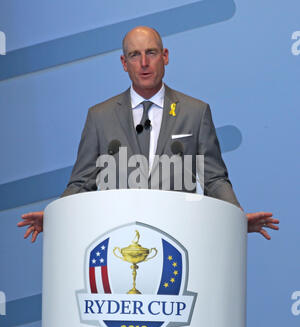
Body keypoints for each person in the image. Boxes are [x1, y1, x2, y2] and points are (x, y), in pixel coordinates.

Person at [17, 26, 279, 242]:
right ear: (124, 63)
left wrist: (235, 217)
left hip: (179, 238)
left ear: (165, 56)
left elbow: (214, 179)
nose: (143, 63)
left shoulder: (195, 112)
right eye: (134, 55)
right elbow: (81, 183)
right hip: (117, 240)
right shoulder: (99, 116)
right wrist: (55, 216)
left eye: (151, 53)